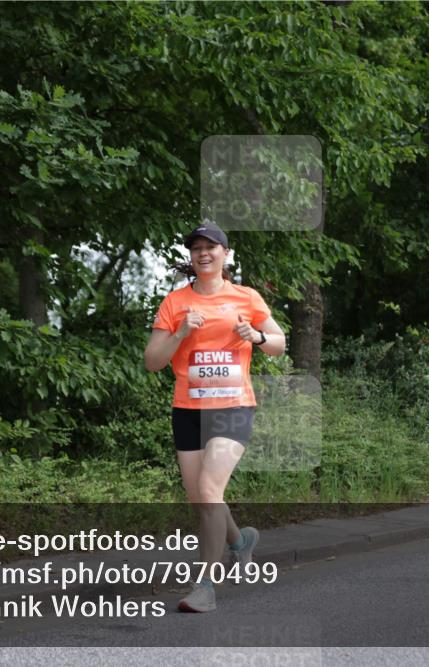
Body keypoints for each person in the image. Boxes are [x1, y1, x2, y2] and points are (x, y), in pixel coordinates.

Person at [144, 222, 286, 612]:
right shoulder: (175, 303)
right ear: (191, 256)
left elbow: (279, 343)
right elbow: (153, 362)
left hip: (232, 408)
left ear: (225, 253)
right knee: (202, 499)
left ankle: (205, 586)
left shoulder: (246, 297)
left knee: (209, 490)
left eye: (211, 247)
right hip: (188, 411)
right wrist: (179, 334)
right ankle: (240, 542)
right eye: (196, 248)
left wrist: (256, 336)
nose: (203, 253)